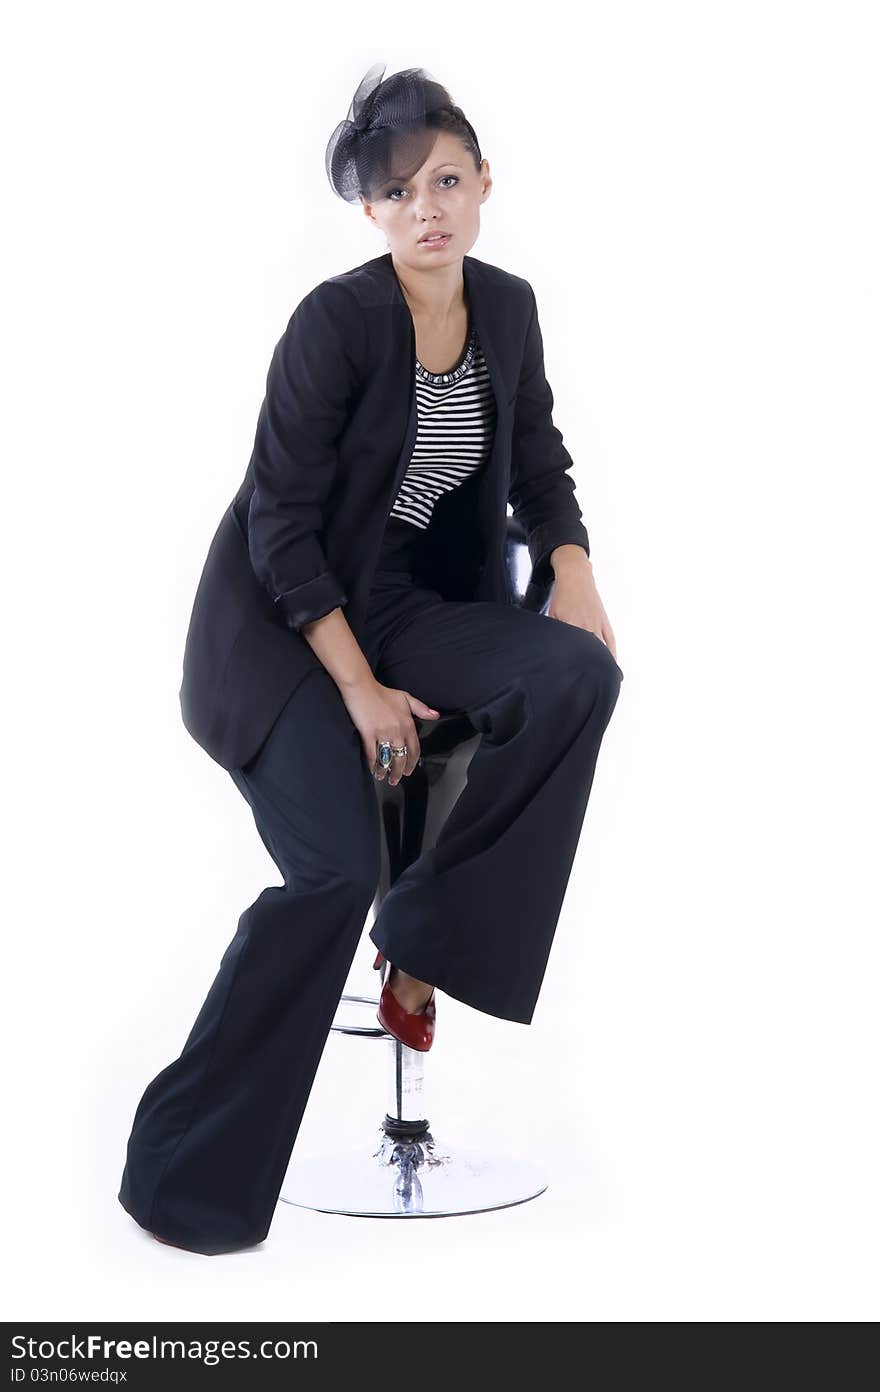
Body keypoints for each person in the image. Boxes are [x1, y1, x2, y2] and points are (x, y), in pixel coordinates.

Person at [118, 63, 624, 1255]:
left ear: (485, 181)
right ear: (370, 214)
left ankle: (423, 939)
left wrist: (574, 569)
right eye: (398, 193)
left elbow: (539, 457)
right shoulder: (335, 323)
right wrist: (356, 691)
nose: (426, 207)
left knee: (576, 676)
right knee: (331, 876)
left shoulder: (505, 307)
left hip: (407, 606)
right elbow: (279, 528)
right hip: (282, 633)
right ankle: (182, 1175)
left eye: (446, 179)